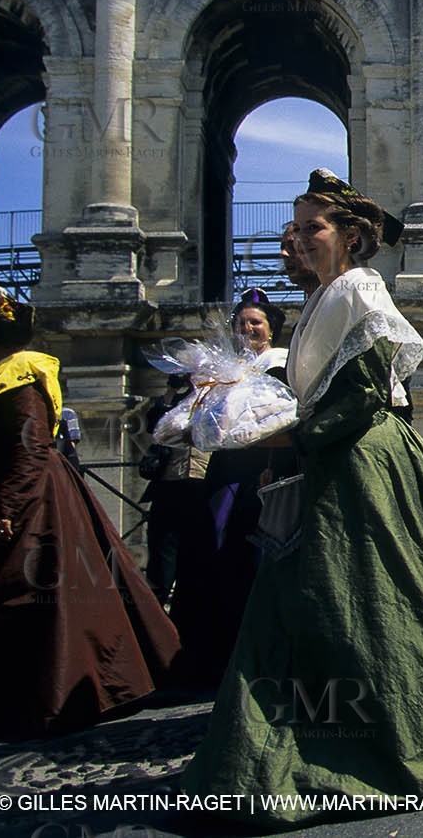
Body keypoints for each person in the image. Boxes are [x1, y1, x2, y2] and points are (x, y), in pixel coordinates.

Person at [182, 170, 423, 824]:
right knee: (321, 598)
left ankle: (394, 736)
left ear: (350, 234)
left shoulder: (359, 288)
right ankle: (294, 739)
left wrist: (281, 433)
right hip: (335, 461)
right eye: (297, 226)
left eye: (315, 226)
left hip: (363, 463)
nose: (302, 238)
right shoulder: (322, 297)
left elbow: (362, 392)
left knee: (371, 599)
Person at [0, 289, 181, 740]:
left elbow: (29, 450)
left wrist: (3, 510)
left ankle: (59, 695)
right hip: (33, 491)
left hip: (34, 501)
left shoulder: (16, 377)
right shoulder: (7, 374)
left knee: (37, 594)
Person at [174, 288, 297, 686]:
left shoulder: (277, 366)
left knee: (246, 555)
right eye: (241, 323)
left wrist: (271, 466)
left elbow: (280, 420)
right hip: (225, 468)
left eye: (255, 323)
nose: (247, 329)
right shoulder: (226, 369)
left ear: (272, 330)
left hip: (258, 471)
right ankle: (210, 650)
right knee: (212, 546)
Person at [130, 373, 209, 606]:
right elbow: (151, 424)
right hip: (170, 484)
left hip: (203, 484)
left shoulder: (219, 400)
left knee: (197, 559)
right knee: (163, 557)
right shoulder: (174, 403)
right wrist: (172, 391)